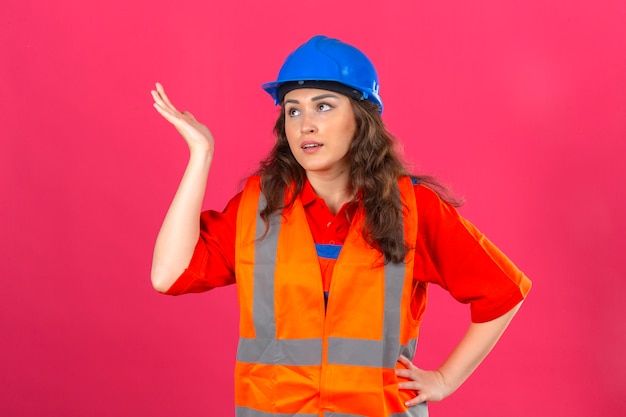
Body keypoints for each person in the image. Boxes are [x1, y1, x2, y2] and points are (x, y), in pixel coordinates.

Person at [150, 35, 531, 417]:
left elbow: (502, 292)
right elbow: (168, 275)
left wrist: (445, 380)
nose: (305, 126)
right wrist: (200, 156)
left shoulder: (412, 210)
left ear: (361, 119)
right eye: (293, 111)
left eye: (324, 107)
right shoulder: (258, 206)